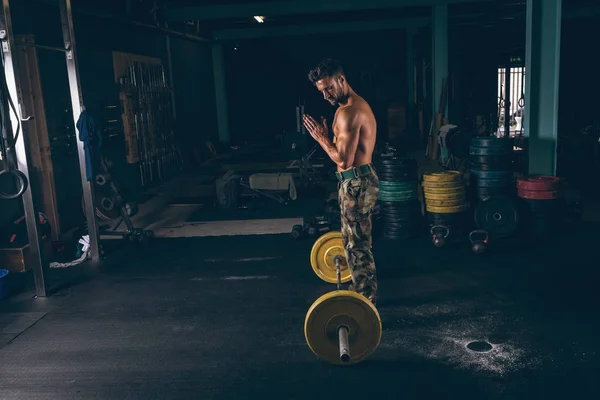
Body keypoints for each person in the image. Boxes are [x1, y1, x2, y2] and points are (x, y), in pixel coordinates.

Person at [303, 58, 379, 306]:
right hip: (353, 183)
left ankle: (366, 298)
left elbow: (344, 160)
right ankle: (360, 285)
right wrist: (330, 138)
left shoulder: (351, 112)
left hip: (356, 182)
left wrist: (321, 139)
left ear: (341, 79)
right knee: (349, 240)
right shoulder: (344, 108)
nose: (325, 95)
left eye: (328, 88)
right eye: (321, 91)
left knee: (358, 244)